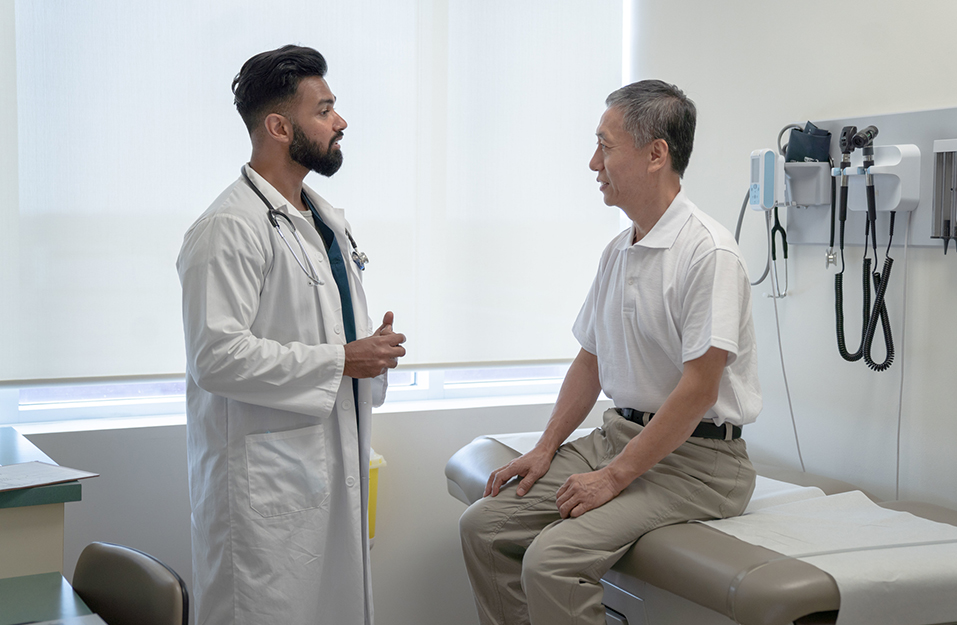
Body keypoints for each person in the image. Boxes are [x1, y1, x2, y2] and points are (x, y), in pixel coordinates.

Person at [459, 80, 762, 625]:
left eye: (605, 145)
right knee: (485, 528)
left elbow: (699, 390)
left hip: (700, 464)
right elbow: (591, 360)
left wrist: (615, 477)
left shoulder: (708, 253)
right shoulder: (619, 251)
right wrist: (547, 447)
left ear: (655, 154)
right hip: (621, 436)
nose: (593, 161)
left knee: (551, 561)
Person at [176, 45, 405, 625]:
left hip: (326, 465)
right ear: (279, 127)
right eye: (324, 109)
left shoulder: (322, 220)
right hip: (266, 491)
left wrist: (365, 357)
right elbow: (216, 357)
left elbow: (324, 330)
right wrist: (342, 360)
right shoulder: (228, 228)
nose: (341, 122)